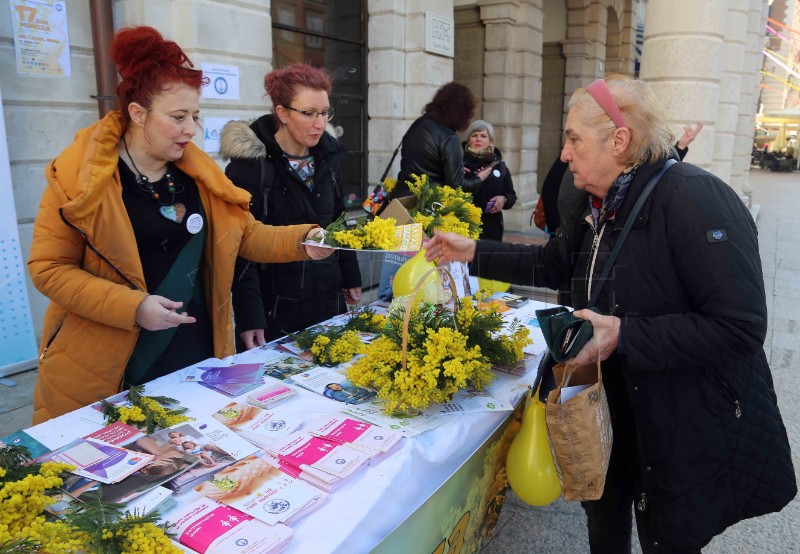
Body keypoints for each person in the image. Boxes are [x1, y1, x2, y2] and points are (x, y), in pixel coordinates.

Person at [425, 74, 796, 553]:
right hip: (608, 407)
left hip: (678, 420)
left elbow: (739, 327)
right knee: (604, 520)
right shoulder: (594, 200)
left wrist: (623, 334)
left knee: (670, 535)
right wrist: (473, 250)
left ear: (619, 140)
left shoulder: (695, 199)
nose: (564, 154)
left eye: (574, 138)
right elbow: (552, 262)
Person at [27, 27, 331, 424]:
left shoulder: (197, 175)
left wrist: (303, 240)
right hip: (108, 362)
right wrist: (133, 307)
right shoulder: (78, 181)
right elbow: (49, 269)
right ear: (138, 114)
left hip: (195, 353)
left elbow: (246, 235)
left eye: (195, 115)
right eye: (178, 117)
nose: (192, 129)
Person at [220, 63, 362, 349]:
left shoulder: (328, 159)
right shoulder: (249, 169)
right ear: (282, 113)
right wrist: (250, 315)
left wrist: (351, 275)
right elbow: (239, 248)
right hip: (278, 309)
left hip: (329, 298)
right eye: (309, 113)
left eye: (324, 113)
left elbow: (338, 220)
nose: (320, 123)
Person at [388, 82, 493, 200]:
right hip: (427, 206)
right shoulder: (449, 137)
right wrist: (479, 178)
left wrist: (449, 168)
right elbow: (457, 186)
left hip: (401, 198)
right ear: (463, 112)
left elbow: (422, 163)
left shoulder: (418, 124)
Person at [462, 120, 517, 241]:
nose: (478, 139)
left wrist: (504, 199)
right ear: (468, 139)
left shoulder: (499, 166)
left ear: (490, 140)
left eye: (483, 136)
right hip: (463, 227)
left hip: (491, 229)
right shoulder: (457, 163)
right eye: (474, 135)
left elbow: (511, 195)